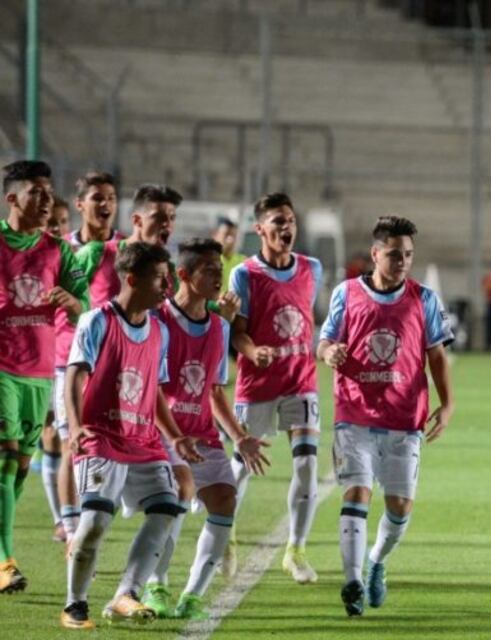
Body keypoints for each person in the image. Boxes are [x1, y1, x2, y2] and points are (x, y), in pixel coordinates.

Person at [61, 241, 202, 630]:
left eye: (168, 277)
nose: (168, 286)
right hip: (101, 436)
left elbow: (154, 391)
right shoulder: (97, 321)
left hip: (143, 440)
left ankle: (127, 593)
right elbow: (75, 376)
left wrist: (175, 437)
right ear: (132, 279)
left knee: (166, 509)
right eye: (159, 278)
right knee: (94, 525)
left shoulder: (159, 330)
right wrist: (75, 426)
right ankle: (75, 605)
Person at [318, 215, 454, 616]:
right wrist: (329, 352)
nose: (403, 262)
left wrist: (447, 404)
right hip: (355, 414)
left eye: (408, 255)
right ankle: (352, 582)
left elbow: (436, 356)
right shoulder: (346, 294)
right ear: (375, 254)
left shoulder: (424, 298)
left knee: (399, 507)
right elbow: (324, 342)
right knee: (356, 493)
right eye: (395, 254)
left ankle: (376, 560)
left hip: (404, 418)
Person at [140, 239, 268, 620]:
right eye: (209, 270)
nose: (218, 276)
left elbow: (213, 391)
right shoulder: (159, 320)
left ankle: (192, 596)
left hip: (202, 435)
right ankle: (155, 585)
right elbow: (151, 387)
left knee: (225, 498)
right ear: (183, 274)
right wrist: (174, 437)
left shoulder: (217, 327)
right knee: (175, 499)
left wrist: (239, 436)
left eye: (220, 270)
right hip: (162, 434)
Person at [0, 161, 88, 594]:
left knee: (19, 470)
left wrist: (72, 302)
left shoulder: (57, 250)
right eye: (36, 192)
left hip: (39, 373)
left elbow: (83, 304)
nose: (46, 200)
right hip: (2, 369)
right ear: (12, 198)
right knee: (5, 459)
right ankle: (4, 562)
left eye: (49, 192)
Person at [229, 192, 323, 584]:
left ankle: (295, 551)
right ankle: (225, 534)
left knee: (307, 464)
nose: (287, 228)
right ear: (260, 229)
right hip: (257, 385)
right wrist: (254, 351)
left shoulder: (312, 268)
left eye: (291, 221)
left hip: (301, 382)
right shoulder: (245, 274)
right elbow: (237, 333)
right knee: (240, 467)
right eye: (278, 221)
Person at [57, 172, 121, 544]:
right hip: (69, 362)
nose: (105, 204)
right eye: (97, 197)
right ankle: (71, 532)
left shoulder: (126, 249)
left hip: (114, 367)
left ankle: (90, 520)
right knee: (72, 443)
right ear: (79, 204)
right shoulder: (61, 250)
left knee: (108, 449)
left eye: (111, 197)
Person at [36, 198, 73, 544]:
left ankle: (65, 519)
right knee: (48, 436)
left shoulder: (72, 258)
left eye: (62, 222)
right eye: (52, 222)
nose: (57, 228)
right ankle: (61, 518)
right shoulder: (29, 258)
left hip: (64, 359)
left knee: (62, 438)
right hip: (33, 359)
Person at [212, 216, 245, 295]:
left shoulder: (244, 262)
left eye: (233, 236)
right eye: (226, 235)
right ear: (215, 235)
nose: (230, 240)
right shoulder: (206, 261)